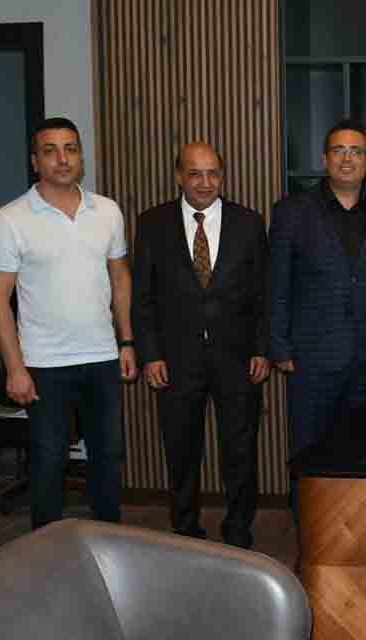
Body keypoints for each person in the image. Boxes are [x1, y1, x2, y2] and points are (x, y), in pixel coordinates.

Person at [0, 117, 137, 529]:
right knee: (48, 462)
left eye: (70, 148)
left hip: (102, 358)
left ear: (80, 156)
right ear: (35, 162)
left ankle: (109, 542)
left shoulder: (107, 211)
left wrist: (126, 341)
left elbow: (120, 277)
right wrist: (15, 368)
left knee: (108, 458)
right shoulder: (10, 219)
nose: (62, 159)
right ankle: (46, 551)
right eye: (50, 151)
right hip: (44, 364)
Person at [132, 142, 268, 547]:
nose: (205, 183)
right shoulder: (153, 223)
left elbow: (263, 293)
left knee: (240, 450)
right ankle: (185, 528)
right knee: (181, 450)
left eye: (212, 174)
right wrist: (151, 354)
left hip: (238, 358)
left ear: (222, 176)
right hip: (176, 360)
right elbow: (143, 297)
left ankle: (238, 529)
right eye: (194, 174)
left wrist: (261, 348)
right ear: (179, 176)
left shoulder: (248, 222)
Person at [268, 119, 366, 456]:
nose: (347, 159)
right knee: (311, 452)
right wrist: (279, 347)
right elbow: (277, 283)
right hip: (312, 358)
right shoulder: (291, 211)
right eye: (338, 151)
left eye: (356, 152)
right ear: (324, 159)